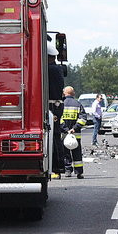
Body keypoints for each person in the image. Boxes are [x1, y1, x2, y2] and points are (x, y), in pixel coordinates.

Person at [47, 43, 65, 179]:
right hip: (56, 105)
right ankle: (57, 168)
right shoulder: (57, 69)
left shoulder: (50, 69)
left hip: (52, 106)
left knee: (54, 136)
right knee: (54, 136)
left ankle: (57, 168)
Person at [60, 86, 86, 178]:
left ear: (64, 93)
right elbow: (83, 119)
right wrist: (74, 128)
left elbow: (59, 119)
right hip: (76, 135)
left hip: (64, 134)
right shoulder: (78, 104)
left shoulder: (61, 104)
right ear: (73, 93)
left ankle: (68, 170)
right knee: (77, 153)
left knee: (66, 153)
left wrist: (66, 130)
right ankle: (79, 172)